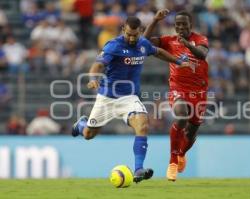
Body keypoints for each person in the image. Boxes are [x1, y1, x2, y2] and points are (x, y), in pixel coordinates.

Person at [72, 16, 189, 183]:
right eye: (128, 34)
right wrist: (93, 78)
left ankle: (138, 169)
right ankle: (81, 125)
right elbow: (98, 65)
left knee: (142, 124)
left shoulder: (143, 44)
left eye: (135, 35)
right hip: (107, 98)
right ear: (123, 31)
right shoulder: (114, 45)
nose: (132, 38)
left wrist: (178, 61)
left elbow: (158, 52)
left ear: (140, 32)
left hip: (129, 98)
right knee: (88, 134)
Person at [144, 10, 209, 181]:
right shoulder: (169, 41)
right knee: (181, 116)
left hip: (199, 92)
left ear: (190, 25)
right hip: (178, 88)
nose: (180, 27)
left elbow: (202, 55)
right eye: (177, 24)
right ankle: (172, 162)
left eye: (184, 24)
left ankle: (181, 154)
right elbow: (143, 42)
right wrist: (155, 20)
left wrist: (187, 44)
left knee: (192, 132)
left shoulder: (200, 39)